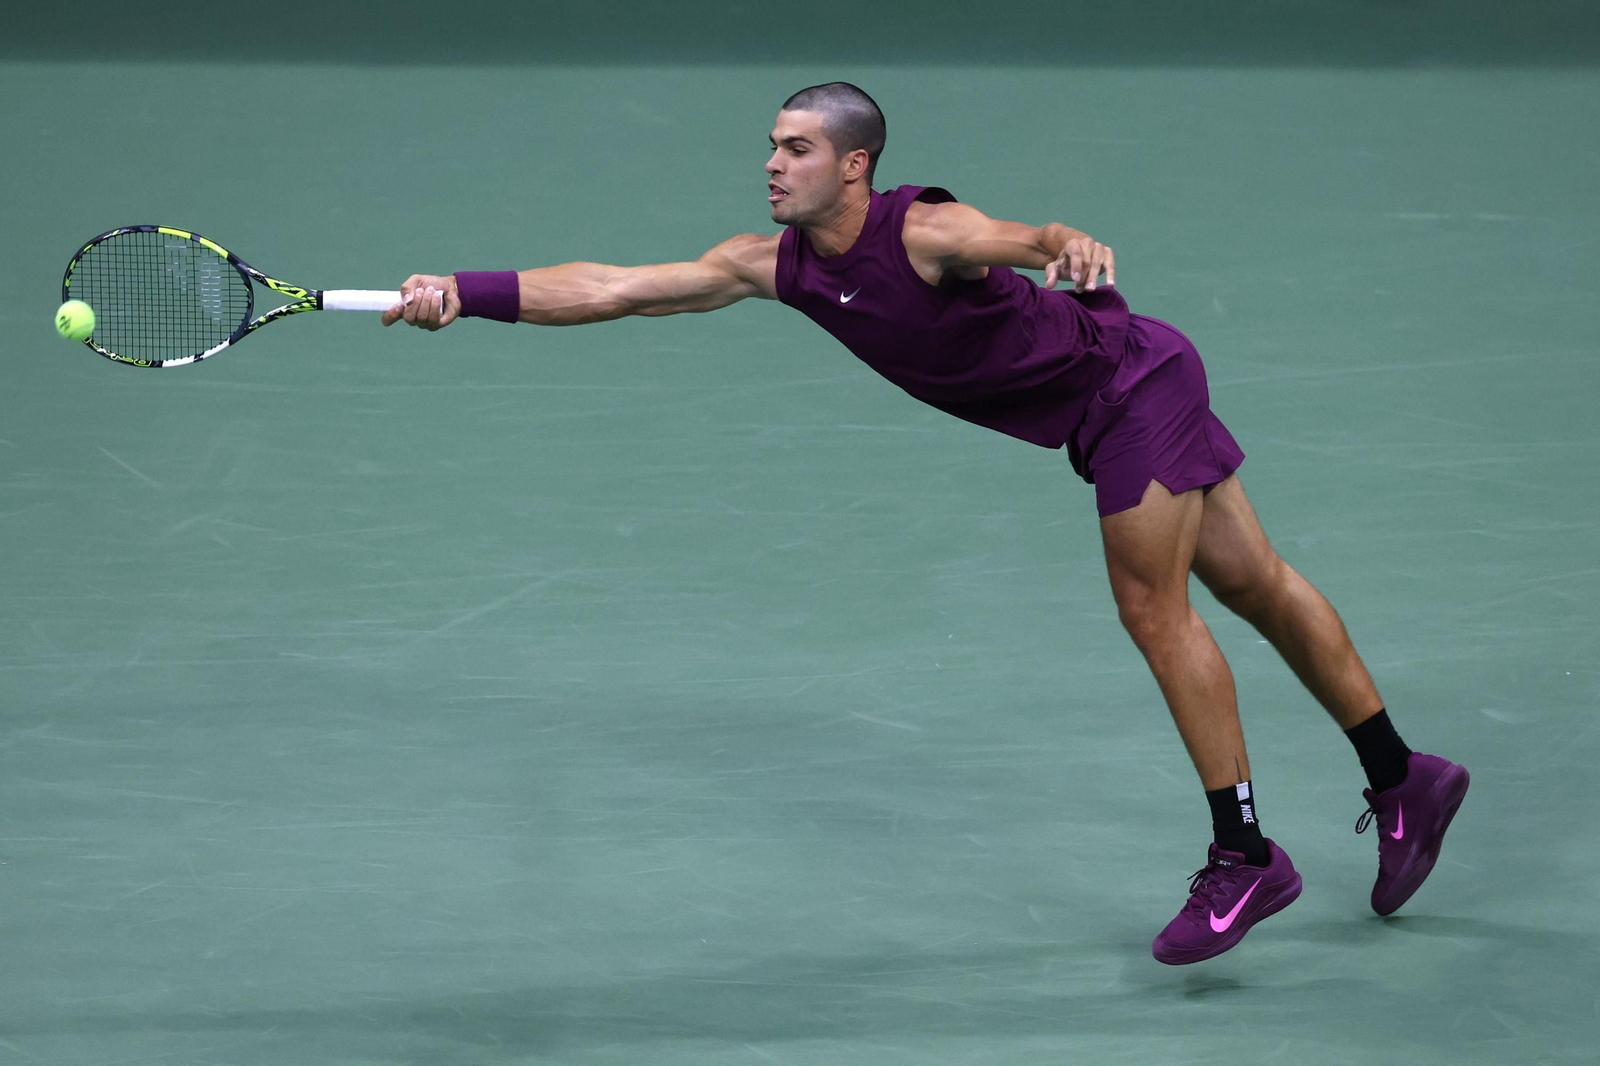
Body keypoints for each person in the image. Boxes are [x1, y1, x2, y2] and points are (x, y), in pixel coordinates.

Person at [383, 81, 1470, 965]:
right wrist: (462, 291)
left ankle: (1245, 854)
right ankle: (1402, 775)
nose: (772, 163)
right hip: (1124, 388)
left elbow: (1020, 233)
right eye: (770, 144)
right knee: (1255, 583)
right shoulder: (775, 266)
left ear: (853, 164)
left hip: (1132, 392)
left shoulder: (926, 230)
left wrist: (1060, 240)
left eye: (796, 147)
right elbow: (617, 285)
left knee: (1153, 607)